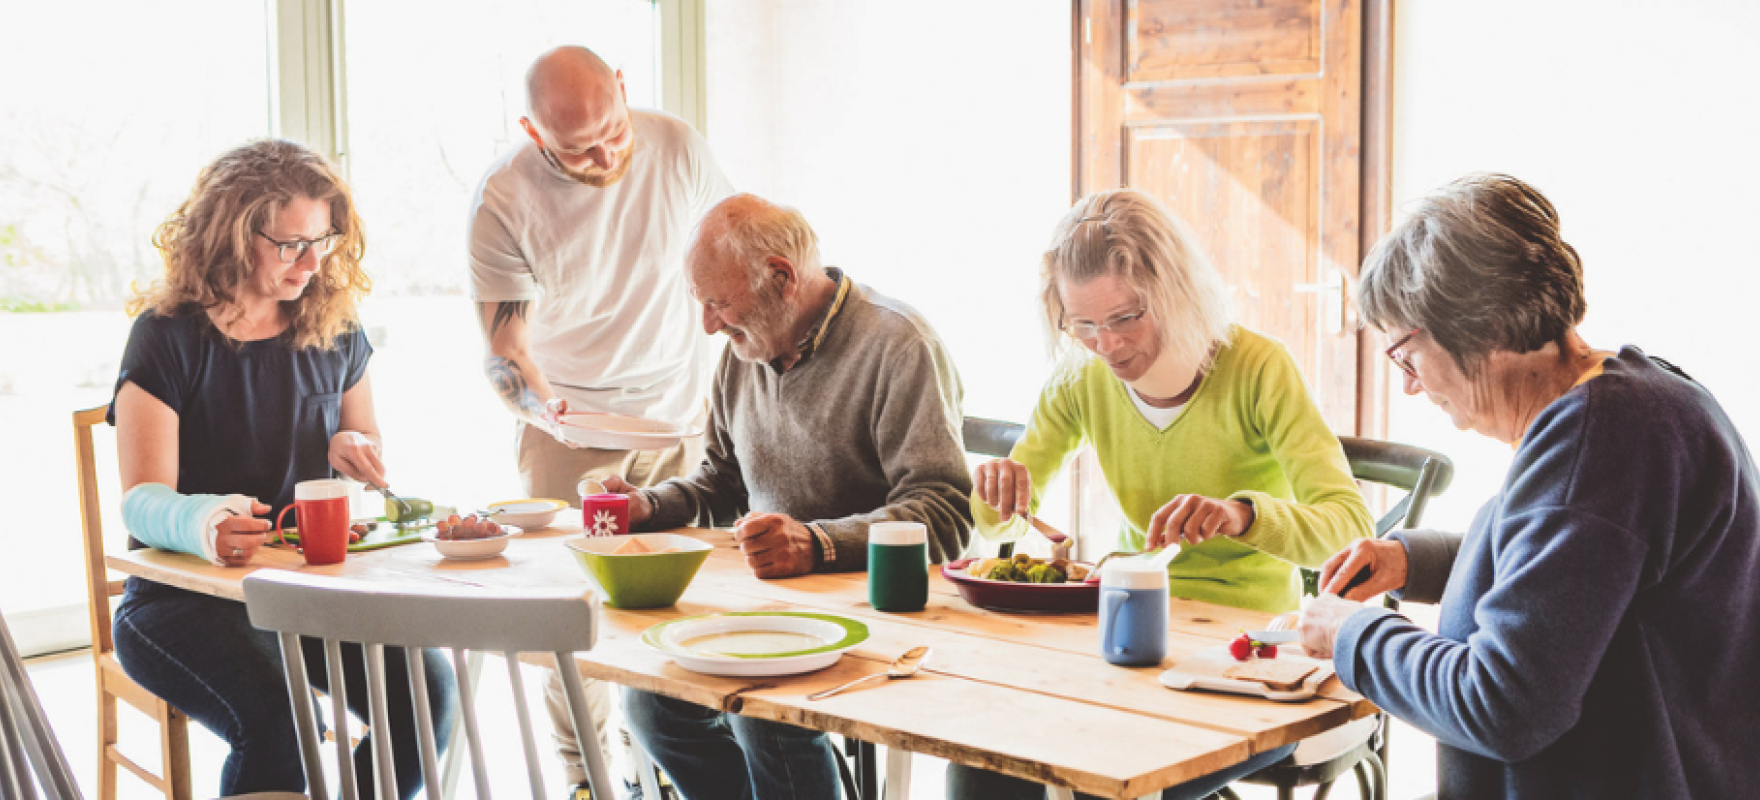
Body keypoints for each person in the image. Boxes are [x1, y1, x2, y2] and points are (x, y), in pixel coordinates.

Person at [1299, 174, 1760, 798]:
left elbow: (1503, 705)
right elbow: (1585, 572)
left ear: (1482, 325)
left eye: (1405, 352)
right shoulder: (1642, 399)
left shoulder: (1597, 442)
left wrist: (1350, 634)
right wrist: (1419, 559)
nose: (1409, 383)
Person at [949, 187, 1374, 800]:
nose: (1108, 346)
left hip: (1246, 650)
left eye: (1126, 318)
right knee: (983, 764)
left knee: (1101, 781)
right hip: (1125, 634)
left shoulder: (1257, 368)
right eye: (1085, 325)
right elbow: (997, 524)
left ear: (1176, 291)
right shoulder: (1081, 374)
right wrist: (997, 491)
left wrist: (1242, 514)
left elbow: (1348, 529)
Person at [108, 139, 455, 799]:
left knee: (427, 692)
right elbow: (140, 503)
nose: (313, 261)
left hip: (304, 587)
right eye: (291, 244)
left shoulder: (335, 327)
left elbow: (363, 434)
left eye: (324, 240)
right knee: (283, 721)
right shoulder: (168, 335)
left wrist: (356, 445)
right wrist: (205, 520)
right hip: (180, 601)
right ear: (233, 235)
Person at [603, 193, 972, 800]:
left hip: (878, 608)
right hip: (772, 603)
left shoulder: (898, 345)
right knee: (651, 704)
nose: (710, 325)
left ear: (780, 278)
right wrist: (650, 505)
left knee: (764, 710)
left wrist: (819, 544)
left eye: (719, 303)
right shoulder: (742, 353)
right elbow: (722, 478)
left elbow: (945, 513)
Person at [467, 45, 732, 797]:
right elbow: (505, 349)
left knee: (694, 607)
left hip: (684, 422)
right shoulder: (503, 197)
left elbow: (731, 250)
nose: (605, 155)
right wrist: (537, 406)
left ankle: (679, 771)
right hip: (569, 434)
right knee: (573, 618)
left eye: (613, 130)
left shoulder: (678, 147)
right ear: (532, 129)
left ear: (622, 88)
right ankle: (590, 779)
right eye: (577, 148)